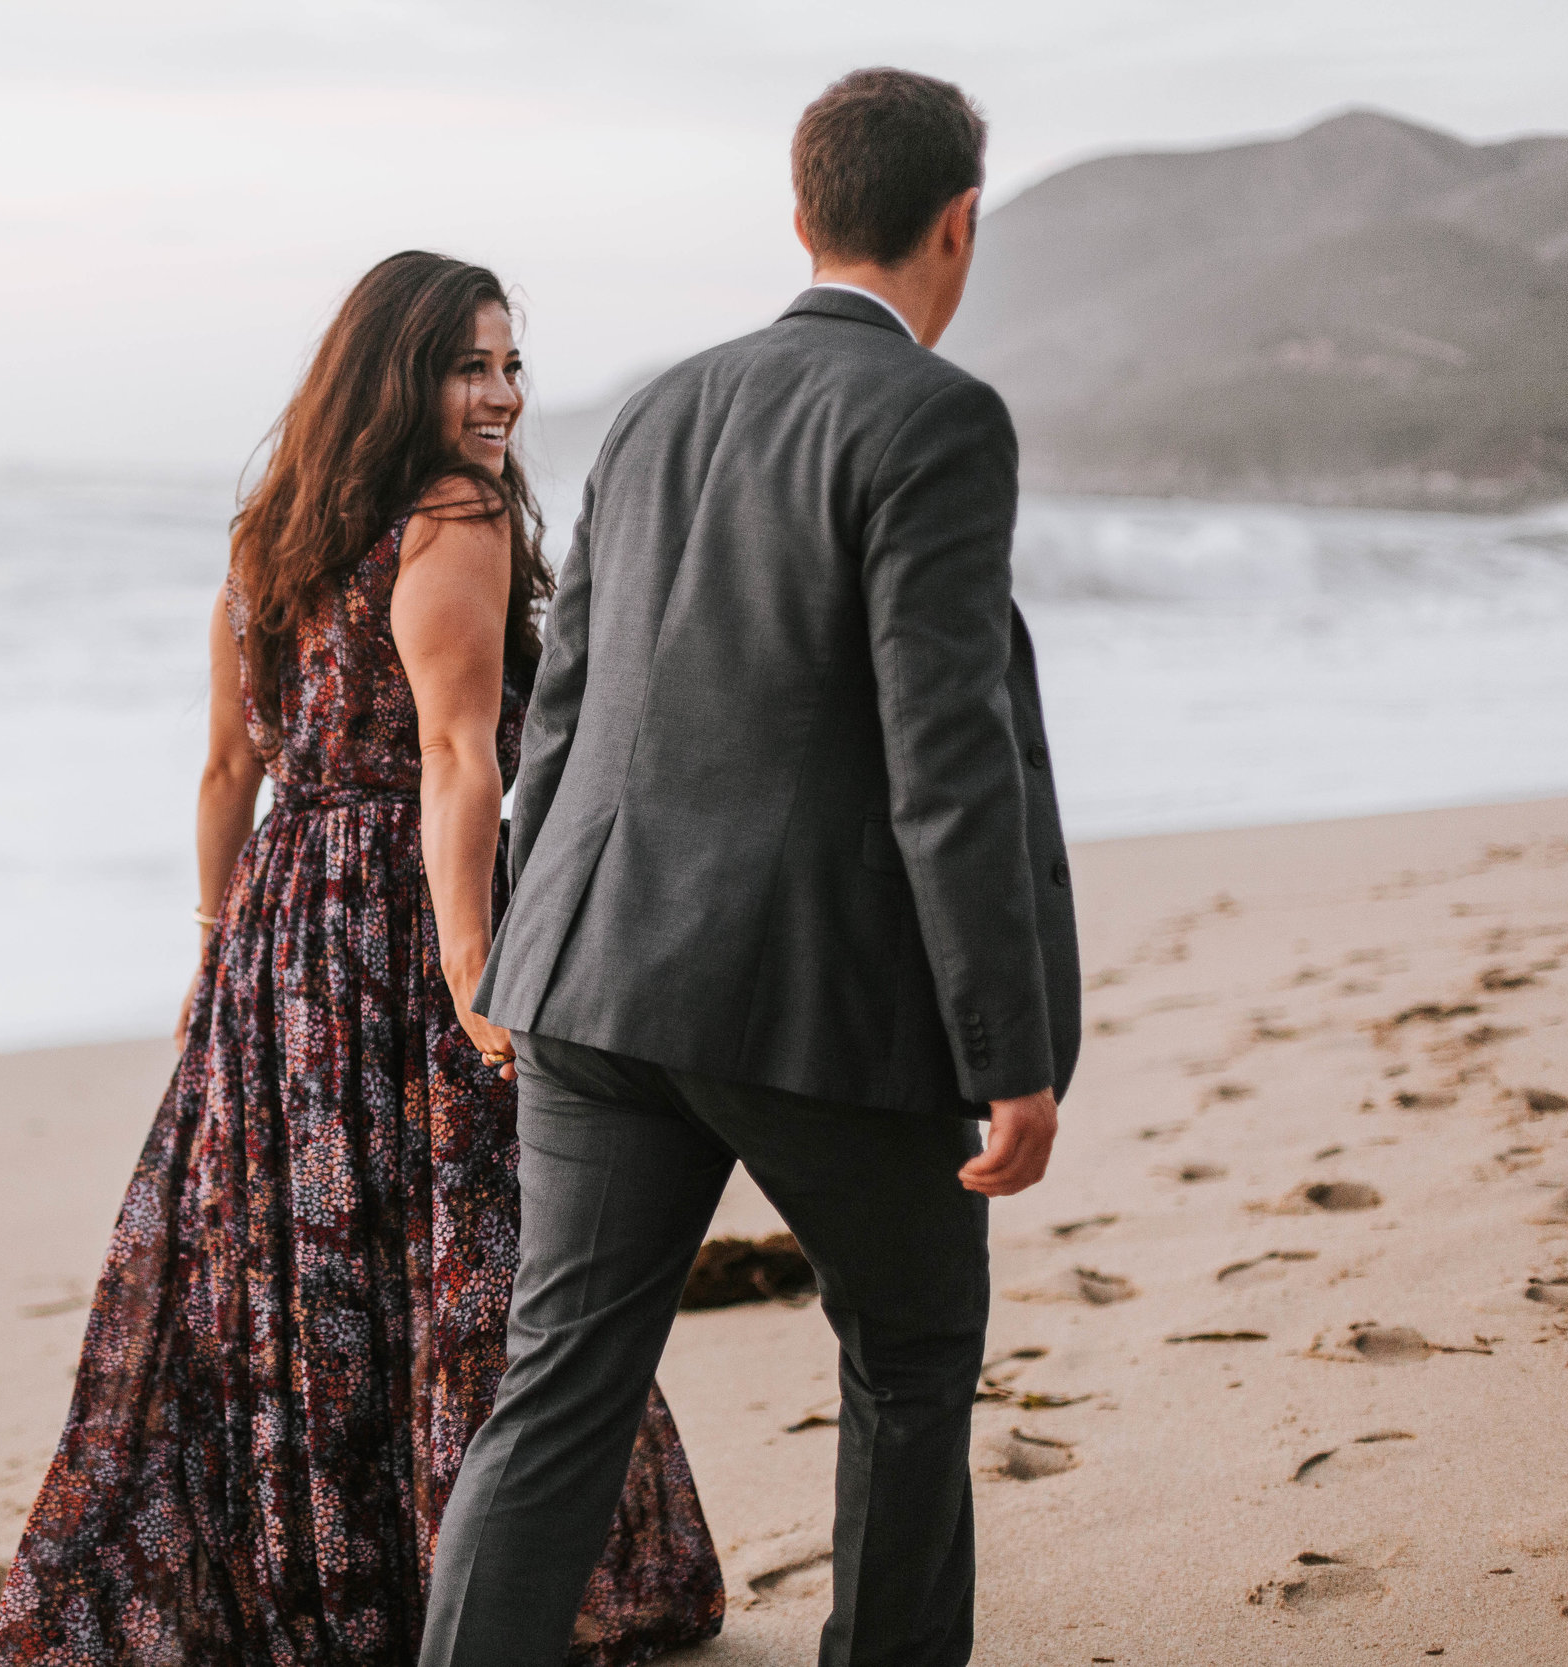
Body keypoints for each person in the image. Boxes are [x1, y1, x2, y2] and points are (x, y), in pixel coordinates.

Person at [420, 69, 1082, 1667]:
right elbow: (949, 755)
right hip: (810, 1005)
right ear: (960, 222)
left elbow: (566, 709)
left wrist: (527, 945)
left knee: (559, 1386)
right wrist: (1013, 1050)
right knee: (914, 1359)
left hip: (589, 975)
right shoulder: (938, 416)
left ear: (798, 217)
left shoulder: (656, 406)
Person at [0, 252, 725, 1666]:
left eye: (512, 365)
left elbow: (225, 771)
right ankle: (484, 1589)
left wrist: (218, 953)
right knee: (480, 1253)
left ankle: (332, 1586)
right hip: (398, 920)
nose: (502, 395)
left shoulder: (272, 530)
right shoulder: (451, 511)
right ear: (400, 372)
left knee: (291, 1264)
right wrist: (471, 968)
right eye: (472, 366)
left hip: (280, 935)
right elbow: (455, 757)